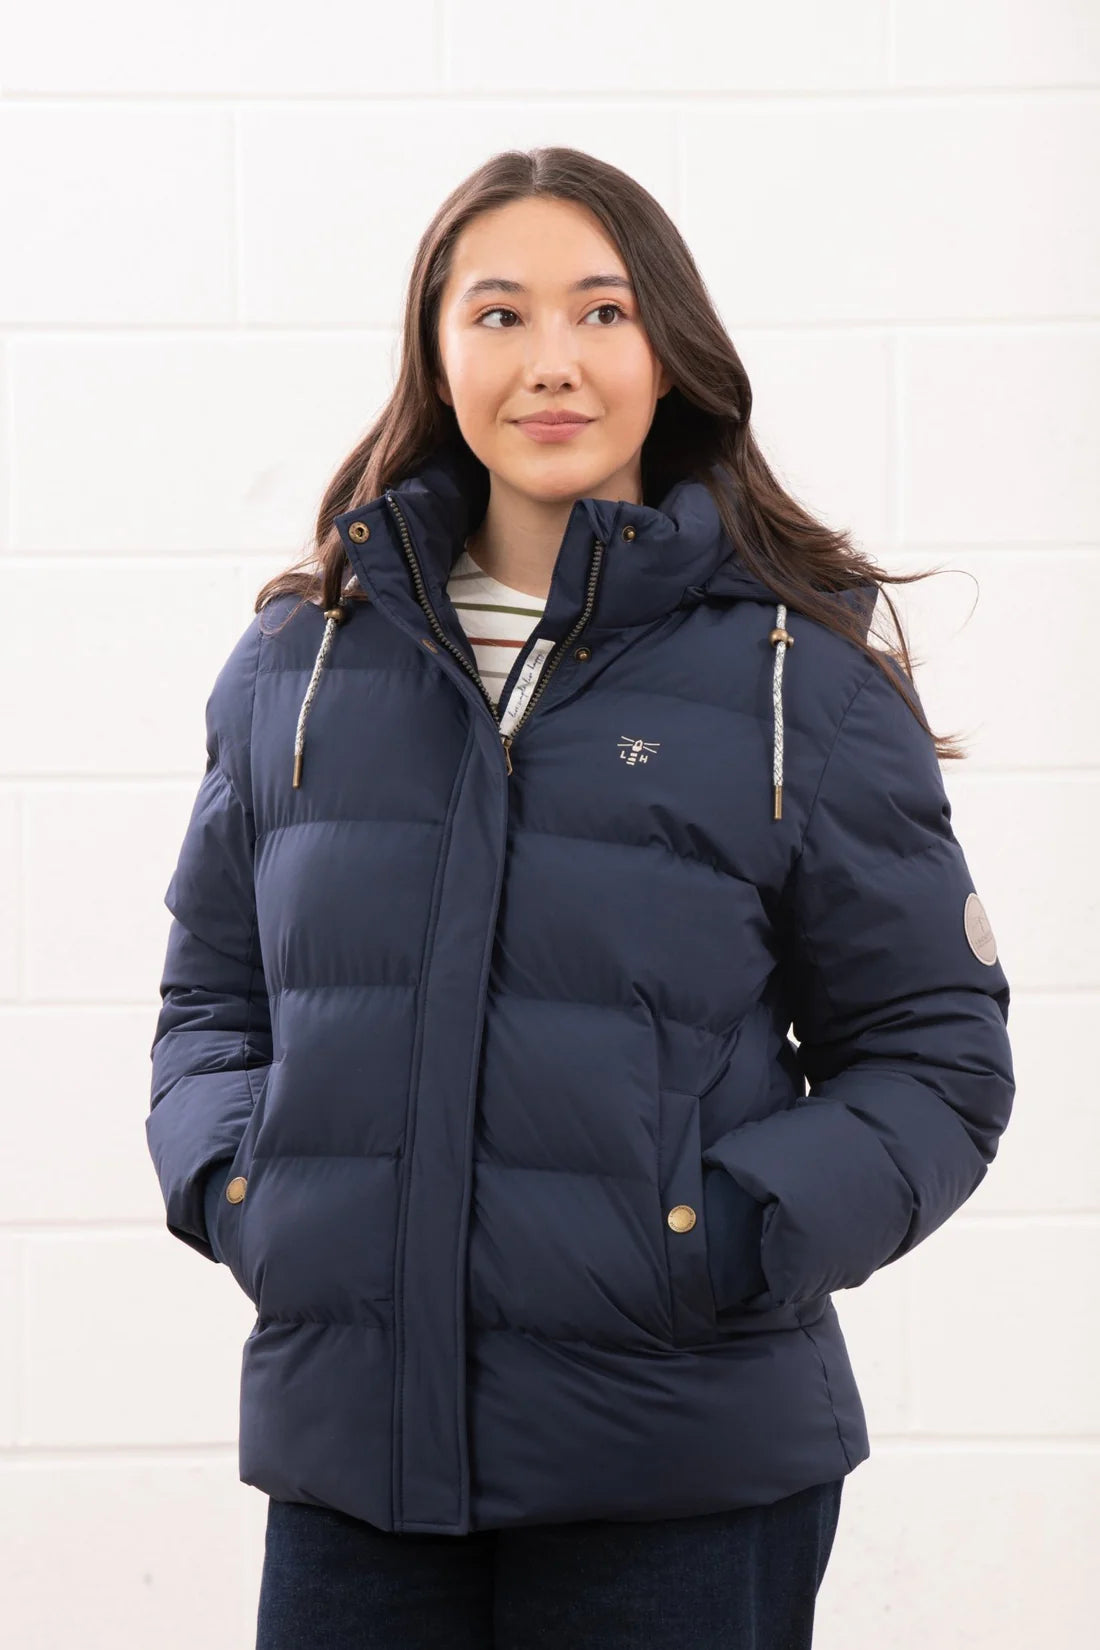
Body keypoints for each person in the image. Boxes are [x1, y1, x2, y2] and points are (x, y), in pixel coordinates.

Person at [145, 146, 1016, 1649]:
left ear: (666, 353)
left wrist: (727, 1233)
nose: (550, 359)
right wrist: (246, 1192)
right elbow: (211, 1004)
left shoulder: (796, 677)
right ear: (436, 354)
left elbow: (937, 1055)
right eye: (499, 315)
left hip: (680, 1474)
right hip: (357, 1469)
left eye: (601, 312)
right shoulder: (303, 665)